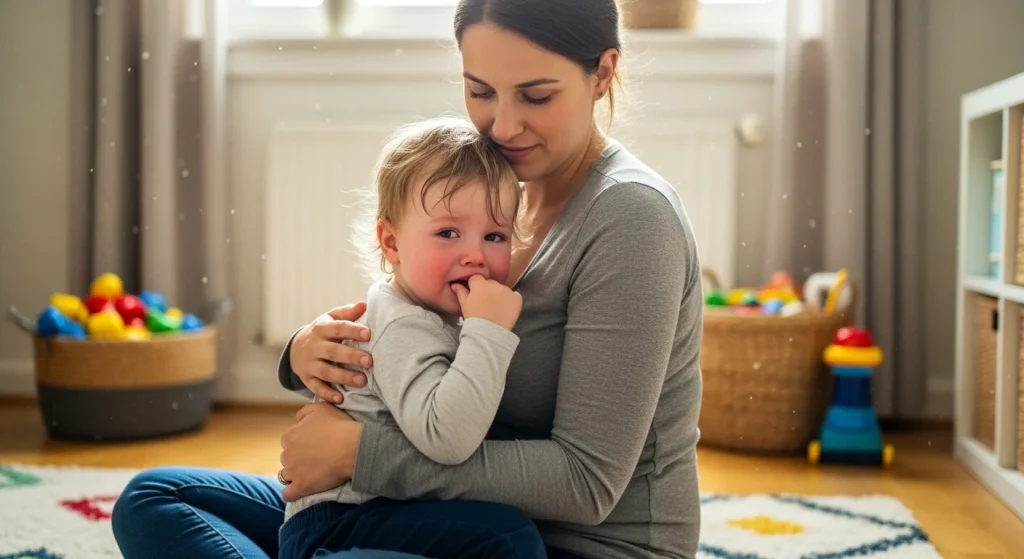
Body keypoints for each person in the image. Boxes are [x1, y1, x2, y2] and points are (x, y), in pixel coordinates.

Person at [111, 0, 704, 558]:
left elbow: (586, 484)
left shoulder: (631, 219)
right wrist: (306, 352)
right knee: (156, 498)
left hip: (568, 543)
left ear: (602, 74)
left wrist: (358, 455)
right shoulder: (497, 194)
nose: (503, 125)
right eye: (480, 91)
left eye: (536, 95)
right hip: (432, 510)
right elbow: (410, 323)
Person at [277, 115, 549, 558]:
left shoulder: (425, 312)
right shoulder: (406, 324)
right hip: (342, 527)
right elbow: (448, 438)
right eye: (447, 233)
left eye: (495, 235)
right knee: (508, 538)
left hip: (368, 515)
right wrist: (490, 331)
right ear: (391, 243)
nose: (476, 255)